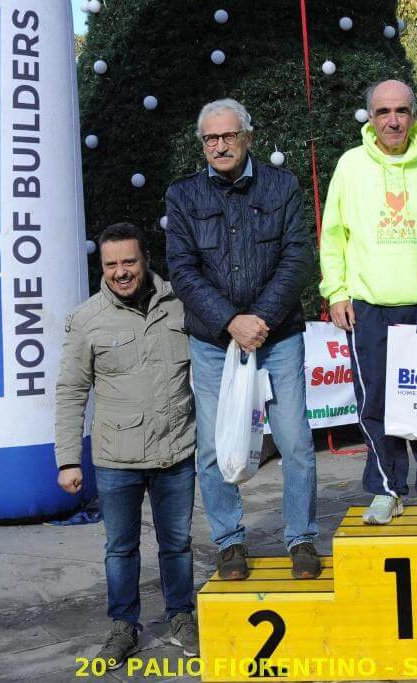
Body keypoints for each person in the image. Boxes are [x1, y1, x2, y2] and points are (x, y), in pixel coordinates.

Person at [165, 98, 319, 581]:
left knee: (294, 440)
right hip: (214, 341)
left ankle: (302, 538)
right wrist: (232, 321)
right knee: (212, 446)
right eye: (210, 139)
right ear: (202, 144)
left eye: (228, 136)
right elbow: (183, 272)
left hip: (279, 337)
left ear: (247, 136)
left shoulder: (282, 185)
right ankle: (230, 542)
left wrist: (260, 319)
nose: (220, 145)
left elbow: (298, 260)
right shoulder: (183, 195)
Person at [320, 80, 417, 525]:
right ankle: (387, 488)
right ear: (370, 117)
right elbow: (333, 236)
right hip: (369, 304)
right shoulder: (350, 166)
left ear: (413, 114)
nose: (393, 120)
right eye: (384, 111)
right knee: (375, 404)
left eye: (401, 111)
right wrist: (337, 291)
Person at [55, 223, 198, 668]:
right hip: (117, 459)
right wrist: (67, 460)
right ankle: (123, 625)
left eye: (129, 262)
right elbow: (70, 391)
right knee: (120, 548)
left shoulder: (181, 304)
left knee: (177, 543)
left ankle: (181, 617)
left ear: (146, 259)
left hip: (177, 450)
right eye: (111, 264)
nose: (121, 272)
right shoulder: (87, 320)